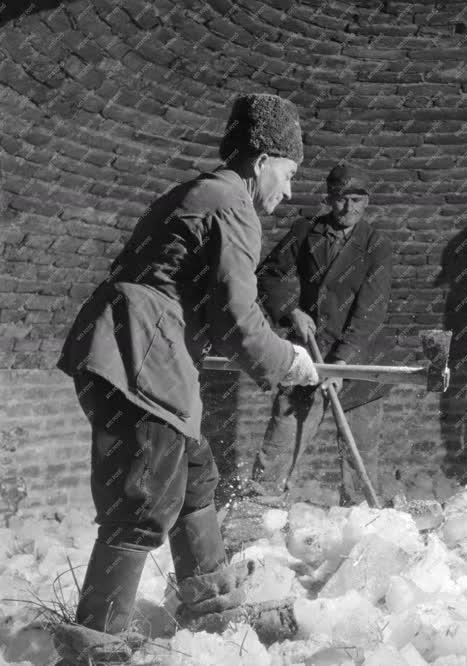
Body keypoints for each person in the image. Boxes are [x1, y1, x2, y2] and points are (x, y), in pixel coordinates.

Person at [55, 94, 319, 656]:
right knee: (144, 495)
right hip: (141, 354)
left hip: (140, 348)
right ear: (261, 159)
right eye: (290, 174)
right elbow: (238, 321)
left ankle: (213, 609)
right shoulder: (232, 204)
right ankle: (94, 645)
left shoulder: (201, 194)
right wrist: (287, 361)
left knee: (194, 474)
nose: (290, 191)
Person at [250, 164, 393, 506]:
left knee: (358, 459)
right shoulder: (305, 232)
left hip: (359, 361)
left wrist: (342, 363)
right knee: (282, 439)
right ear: (329, 199)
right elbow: (267, 274)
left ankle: (359, 523)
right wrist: (290, 310)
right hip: (307, 355)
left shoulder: (377, 246)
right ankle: (257, 512)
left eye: (357, 200)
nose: (349, 209)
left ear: (367, 202)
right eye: (342, 200)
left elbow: (370, 312)